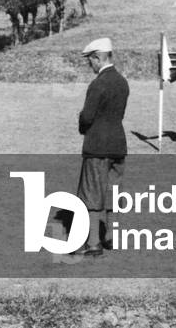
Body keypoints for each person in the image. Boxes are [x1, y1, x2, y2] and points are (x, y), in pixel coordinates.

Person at [75, 37, 129, 258]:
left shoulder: (97, 84)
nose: (90, 64)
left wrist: (80, 120)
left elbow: (87, 117)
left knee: (92, 194)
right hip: (118, 144)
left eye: (90, 60)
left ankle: (94, 243)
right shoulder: (122, 82)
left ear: (98, 58)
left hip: (97, 146)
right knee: (114, 192)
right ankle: (112, 237)